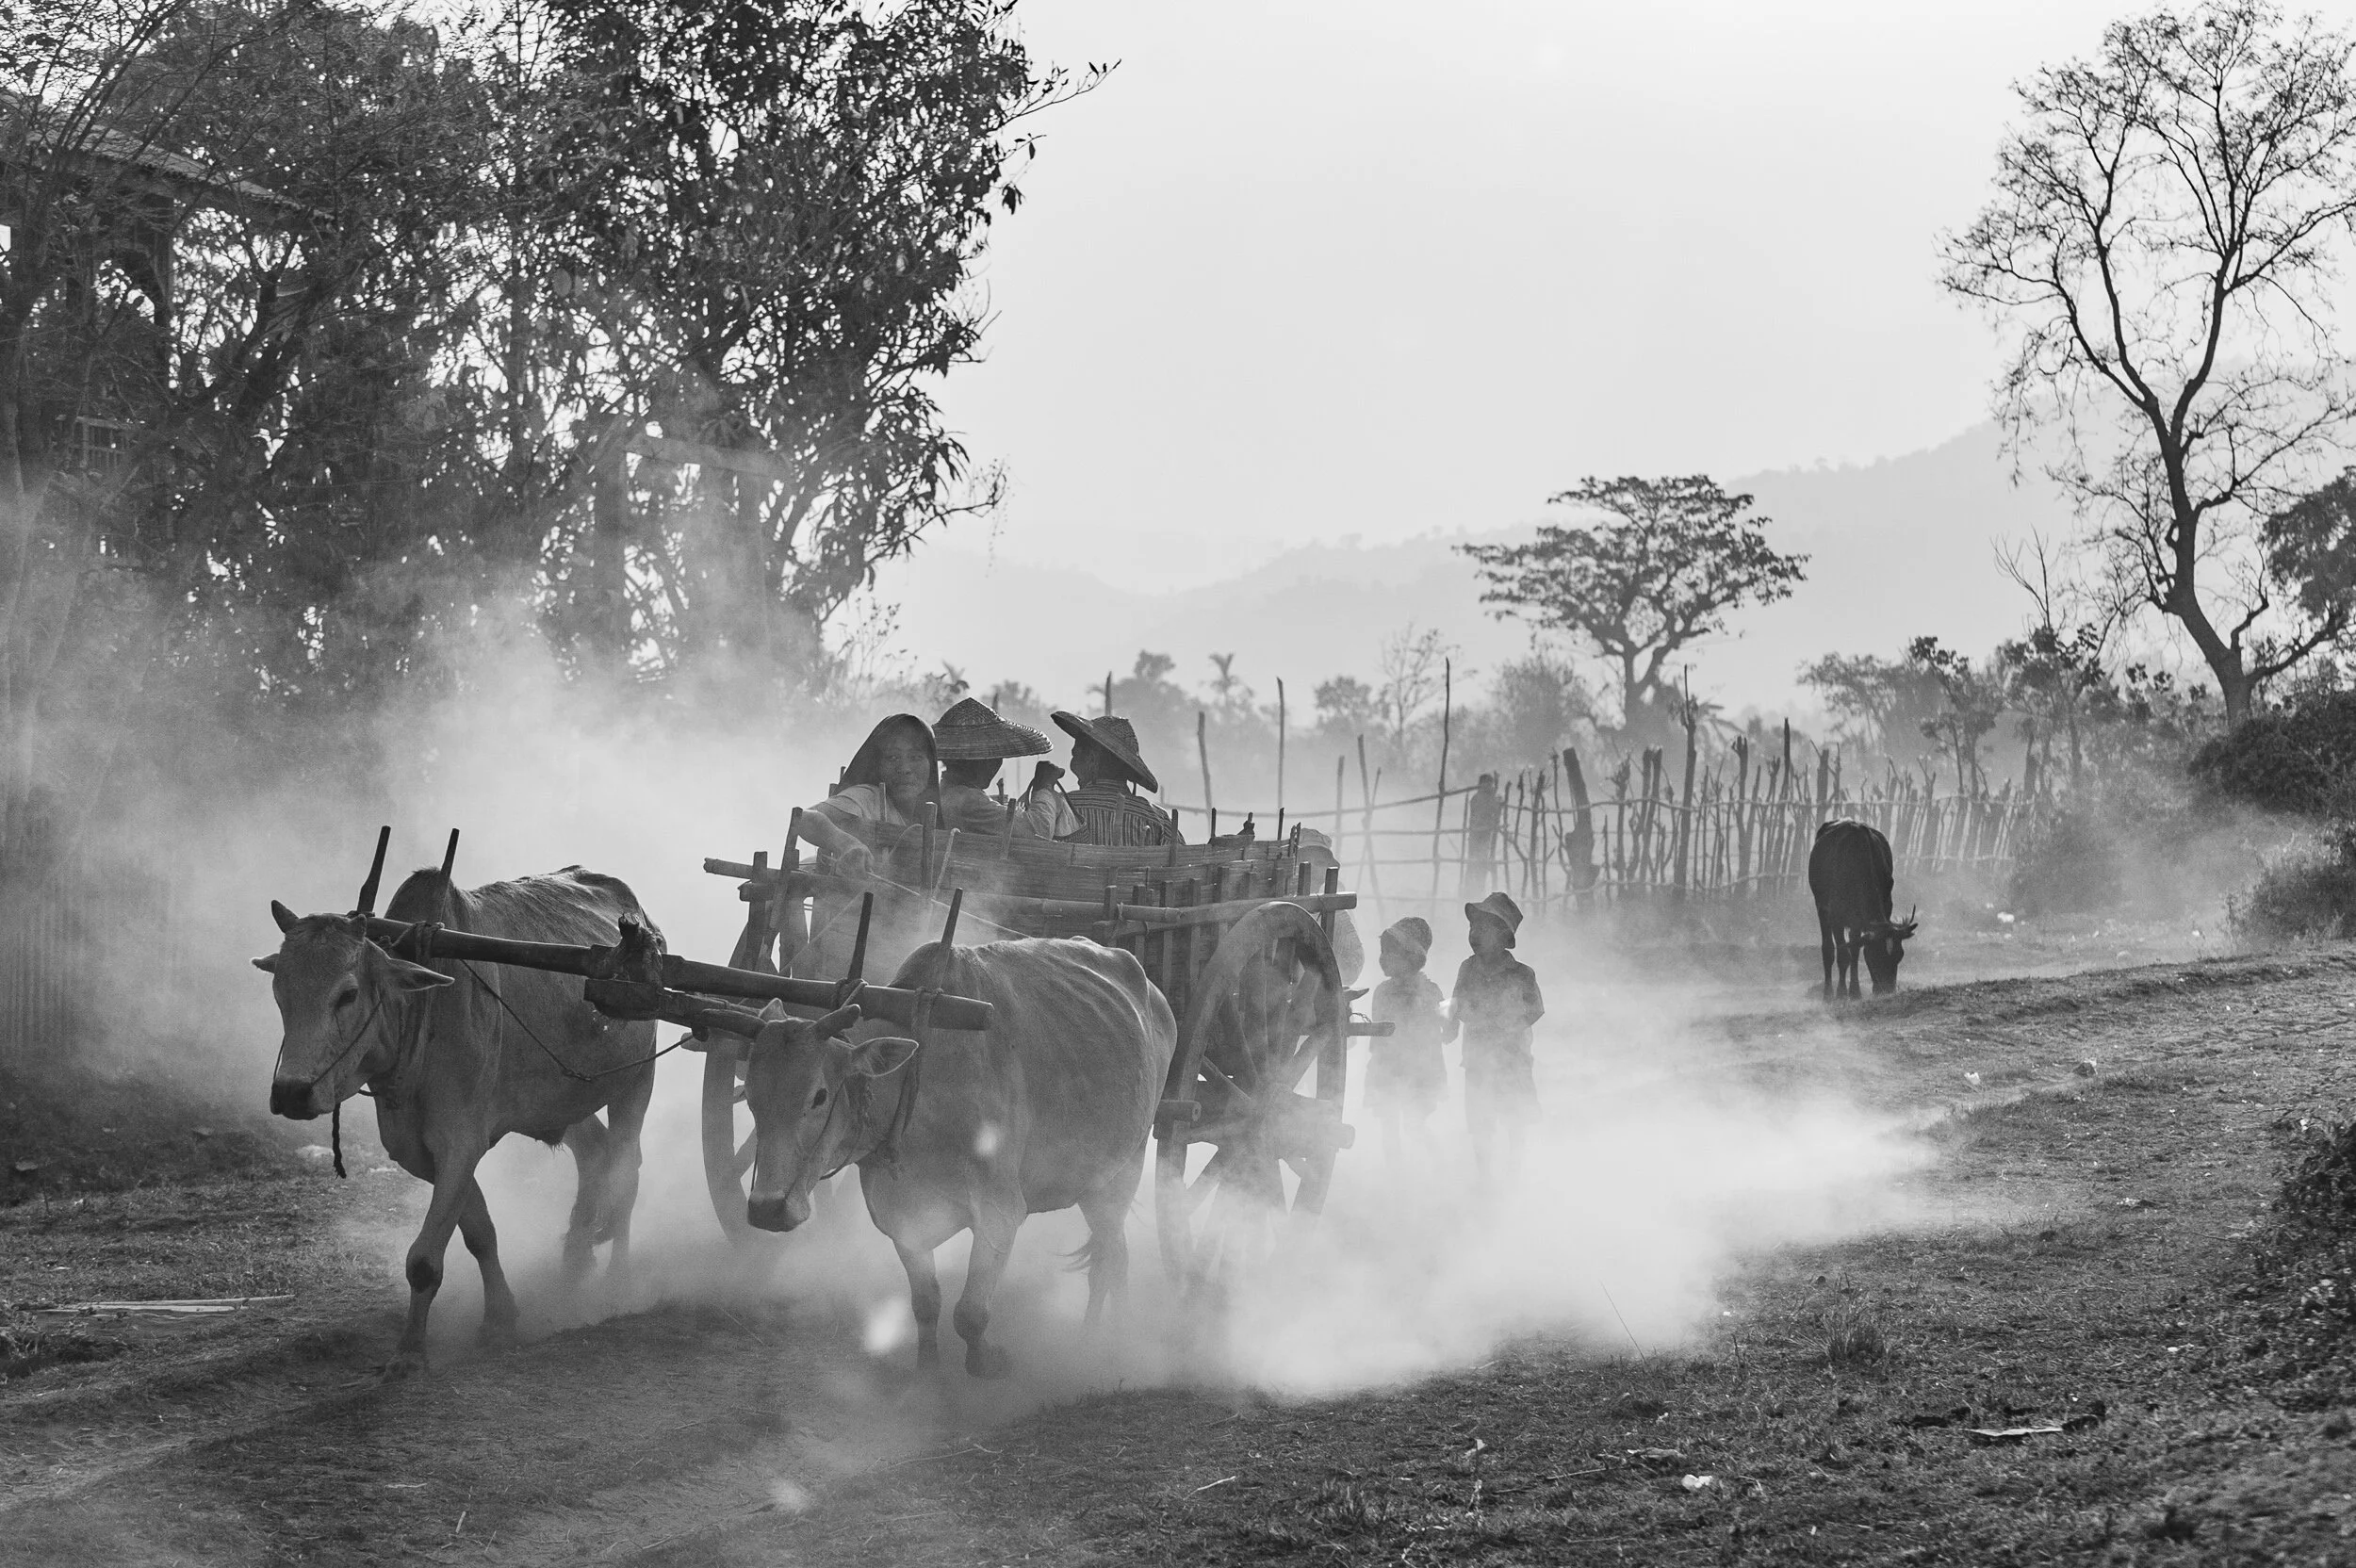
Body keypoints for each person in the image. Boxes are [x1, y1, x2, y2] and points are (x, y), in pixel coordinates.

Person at [1448, 890, 1544, 1186]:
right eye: (1472, 926)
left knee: (1515, 1119)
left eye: (1484, 928)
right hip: (1477, 1060)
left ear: (1503, 936)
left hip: (1513, 1060)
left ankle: (1514, 1174)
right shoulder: (1467, 968)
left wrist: (1507, 1024)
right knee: (1481, 1121)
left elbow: (1535, 1009)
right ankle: (1485, 1177)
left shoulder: (1522, 974)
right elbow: (1456, 1002)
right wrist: (1450, 1023)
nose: (1474, 934)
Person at [796, 713, 938, 878]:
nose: (905, 768)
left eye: (916, 757)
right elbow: (803, 818)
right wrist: (847, 844)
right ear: (878, 765)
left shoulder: (928, 814)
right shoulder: (869, 798)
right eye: (893, 758)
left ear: (931, 764)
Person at [933, 696, 1078, 839]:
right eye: (990, 758)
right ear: (969, 761)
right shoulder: (969, 801)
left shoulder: (945, 792)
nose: (995, 766)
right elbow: (1037, 830)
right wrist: (1043, 786)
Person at [1366, 917, 1447, 1165]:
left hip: (1419, 1070)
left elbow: (1449, 1027)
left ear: (1412, 958)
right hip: (1387, 1068)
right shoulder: (1382, 992)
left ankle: (1439, 1163)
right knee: (1389, 1126)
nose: (1383, 958)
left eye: (1391, 952)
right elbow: (1377, 1035)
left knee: (1414, 1125)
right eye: (1383, 951)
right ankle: (1396, 1175)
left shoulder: (1431, 992)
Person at [1049, 711, 1183, 848]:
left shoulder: (1057, 808)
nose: (1072, 767)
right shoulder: (1160, 821)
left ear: (1092, 760)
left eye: (1075, 755)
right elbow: (1182, 859)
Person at [1462, 773, 1503, 897]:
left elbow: (1494, 809)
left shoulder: (1484, 797)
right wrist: (1496, 800)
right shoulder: (1479, 798)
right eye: (1487, 784)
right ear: (1481, 784)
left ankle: (1477, 890)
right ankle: (1472, 891)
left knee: (1479, 862)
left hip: (1483, 835)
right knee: (1476, 862)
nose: (1489, 786)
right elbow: (1491, 809)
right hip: (1478, 834)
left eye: (1491, 784)